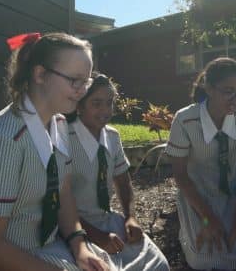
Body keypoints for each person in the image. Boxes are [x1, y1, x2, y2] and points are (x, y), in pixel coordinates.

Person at [0, 32, 113, 271]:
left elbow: (63, 191)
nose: (83, 90)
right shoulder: (1, 140)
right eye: (75, 80)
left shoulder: (59, 124)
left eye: (87, 81)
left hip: (38, 250)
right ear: (40, 74)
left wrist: (79, 246)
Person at [65, 72, 170, 270]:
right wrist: (97, 236)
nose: (105, 110)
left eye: (109, 102)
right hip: (75, 228)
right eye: (97, 103)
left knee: (159, 265)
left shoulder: (112, 136)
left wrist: (130, 217)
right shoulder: (65, 139)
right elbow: (59, 205)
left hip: (108, 220)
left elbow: (123, 182)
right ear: (79, 105)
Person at [166, 57, 236, 270]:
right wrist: (208, 219)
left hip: (235, 194)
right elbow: (181, 177)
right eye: (228, 91)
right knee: (204, 260)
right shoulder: (185, 120)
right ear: (208, 89)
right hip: (197, 194)